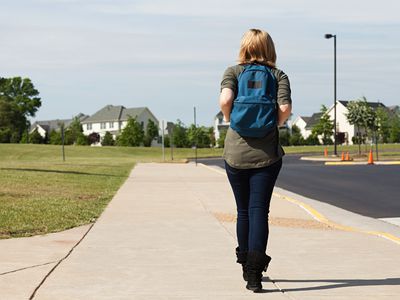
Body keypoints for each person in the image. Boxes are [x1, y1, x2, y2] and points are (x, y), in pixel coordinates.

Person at [219, 28, 292, 292]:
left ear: (244, 48)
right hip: (267, 155)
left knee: (242, 211)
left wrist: (229, 119)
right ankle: (254, 275)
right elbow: (284, 108)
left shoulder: (233, 72)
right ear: (269, 49)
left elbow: (226, 98)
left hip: (235, 153)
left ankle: (244, 264)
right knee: (259, 210)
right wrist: (276, 123)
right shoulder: (278, 75)